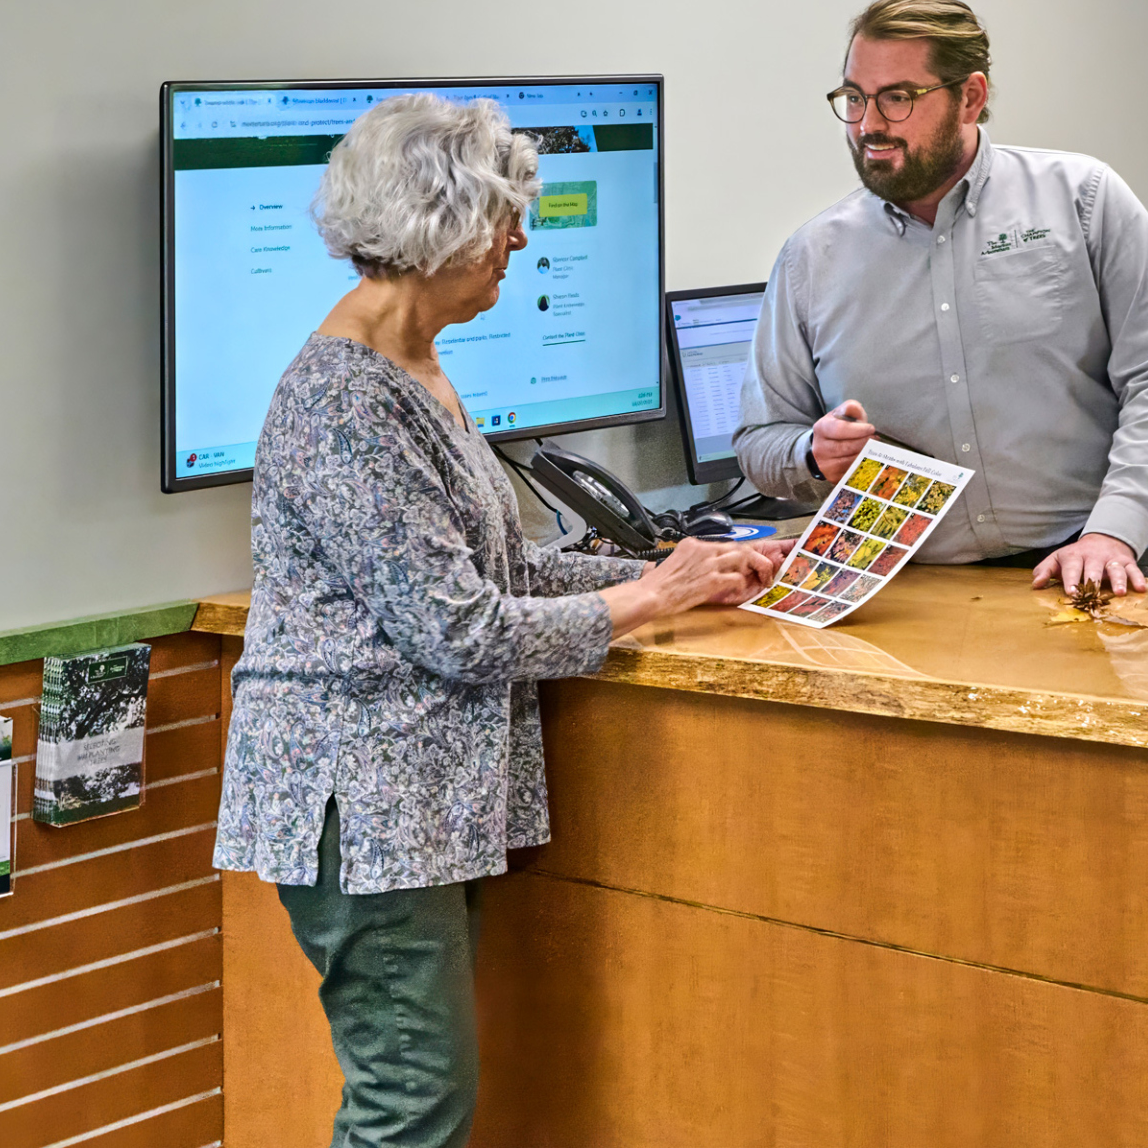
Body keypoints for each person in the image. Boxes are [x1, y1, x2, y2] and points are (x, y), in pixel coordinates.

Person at [211, 93, 783, 1148]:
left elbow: (503, 564)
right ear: (442, 224)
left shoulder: (419, 373)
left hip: (414, 805)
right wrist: (644, 601)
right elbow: (460, 630)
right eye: (505, 218)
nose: (520, 240)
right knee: (411, 1102)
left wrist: (677, 568)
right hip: (363, 808)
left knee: (420, 1093)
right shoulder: (343, 401)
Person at [734, 0, 1148, 598]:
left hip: (1080, 571)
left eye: (897, 98)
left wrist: (1114, 533)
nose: (869, 124)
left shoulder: (1083, 200)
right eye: (854, 98)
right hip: (902, 596)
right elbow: (759, 440)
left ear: (971, 97)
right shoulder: (811, 257)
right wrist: (811, 453)